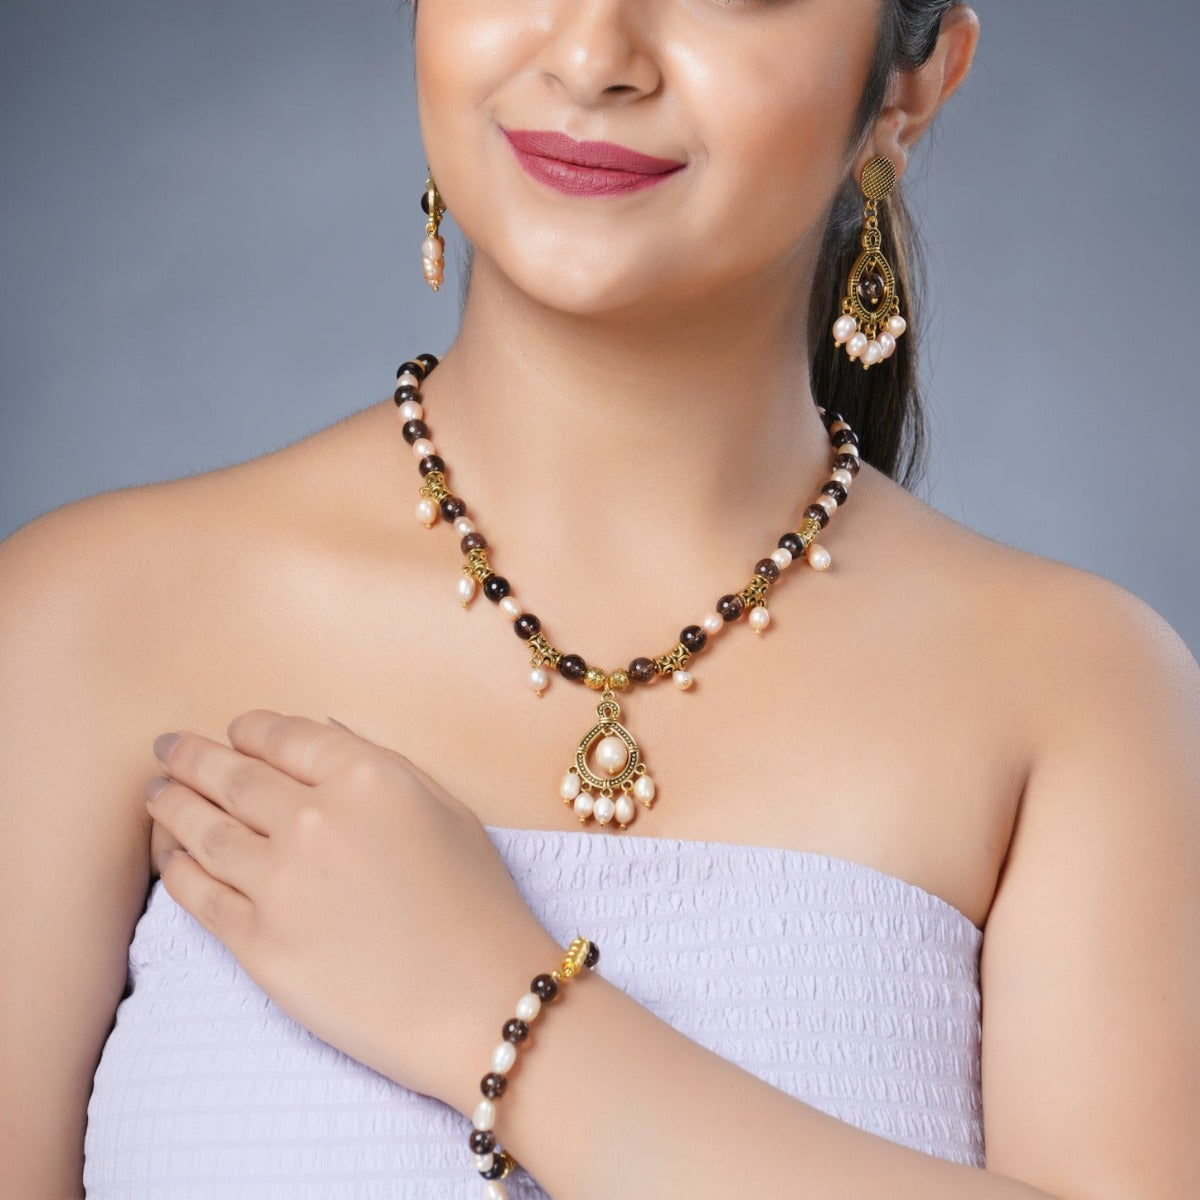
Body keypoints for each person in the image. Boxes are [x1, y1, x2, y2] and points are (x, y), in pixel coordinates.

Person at [2, 1, 1197, 1197]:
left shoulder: (1081, 698)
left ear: (912, 80)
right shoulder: (82, 626)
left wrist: (504, 1022)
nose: (591, 57)